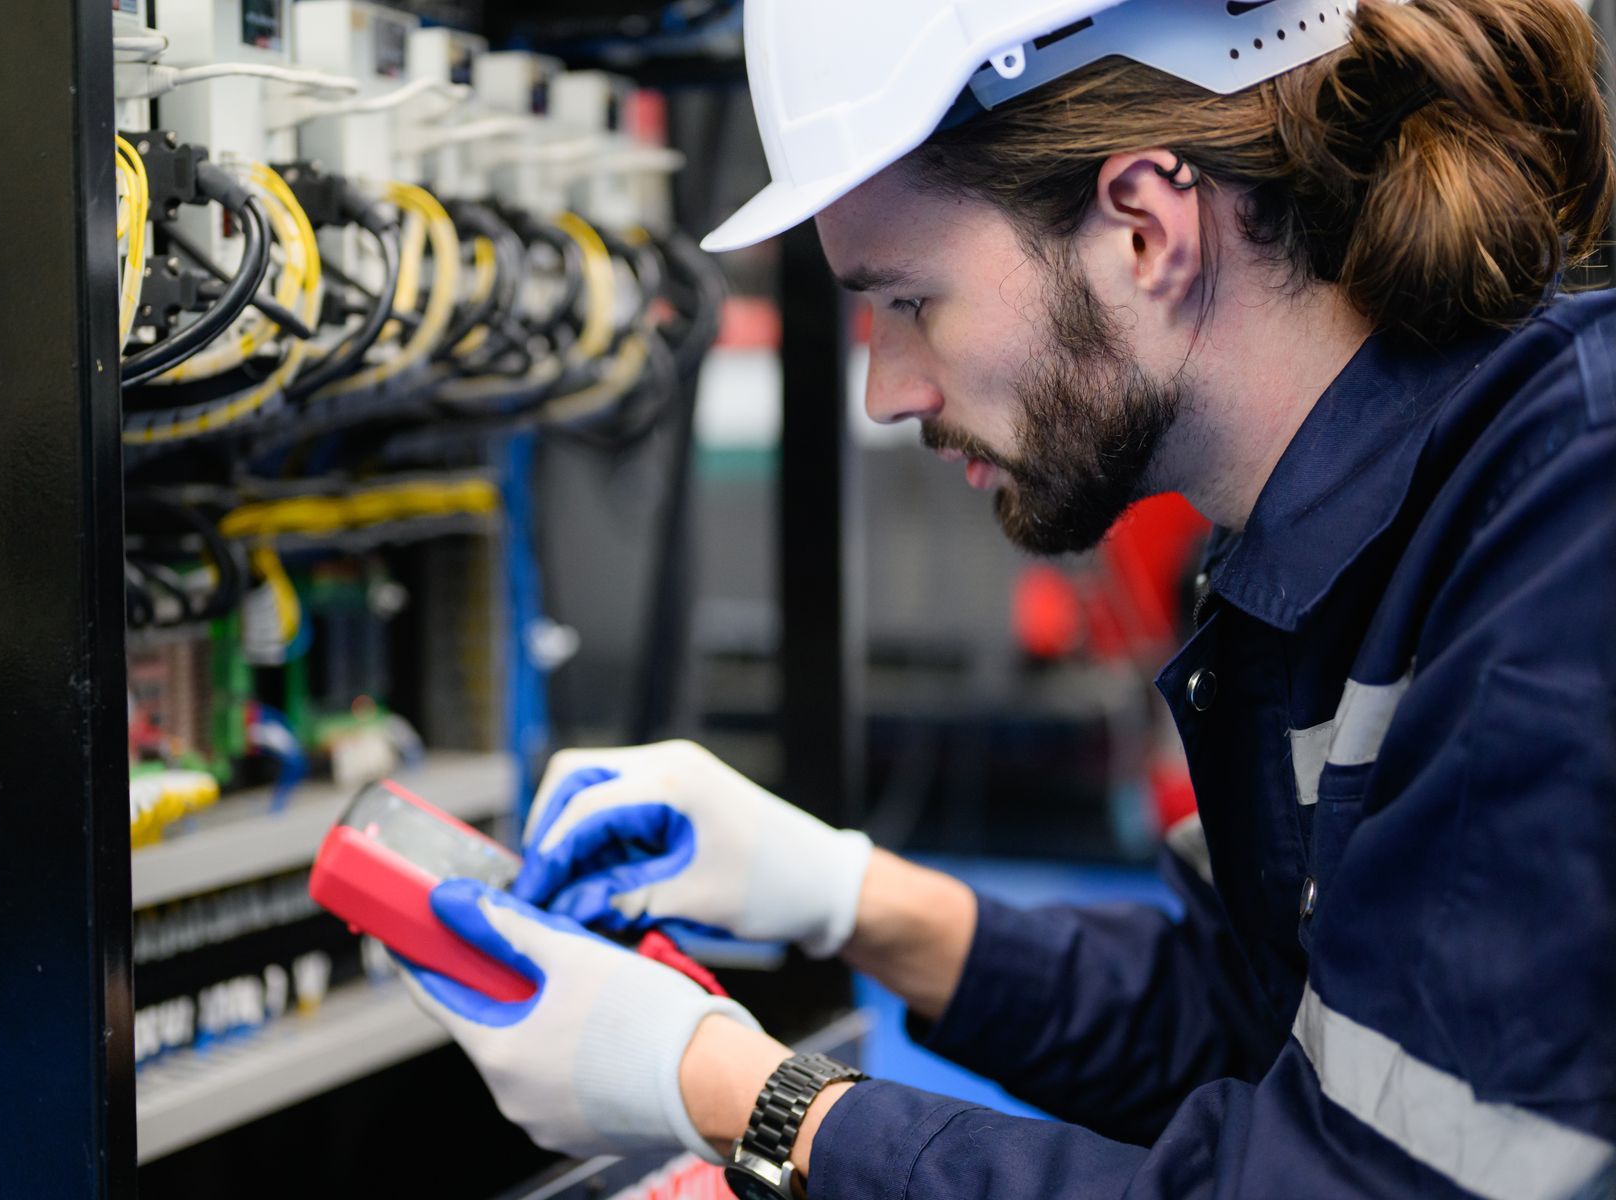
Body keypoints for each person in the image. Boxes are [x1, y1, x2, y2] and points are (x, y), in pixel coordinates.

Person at [396, 0, 1616, 1195]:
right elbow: (1260, 1016)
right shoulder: (1379, 542)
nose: (888, 390)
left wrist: (749, 1099)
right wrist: (846, 895)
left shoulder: (1572, 530)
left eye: (908, 302)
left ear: (1144, 228)